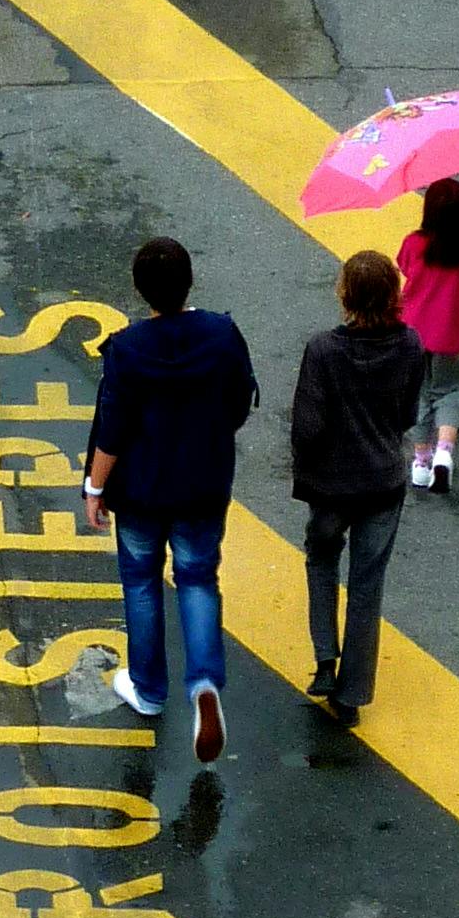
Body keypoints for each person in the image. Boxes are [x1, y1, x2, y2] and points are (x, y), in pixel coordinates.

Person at [82, 238, 258, 765]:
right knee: (198, 578)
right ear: (189, 282)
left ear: (141, 291)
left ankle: (149, 688)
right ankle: (204, 683)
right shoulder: (222, 335)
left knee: (140, 581)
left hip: (139, 492)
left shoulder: (128, 349)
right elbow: (238, 402)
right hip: (202, 485)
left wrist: (94, 488)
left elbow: (112, 429)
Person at [289, 249, 423, 730]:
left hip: (331, 486)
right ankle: (351, 694)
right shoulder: (409, 345)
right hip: (383, 482)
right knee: (368, 585)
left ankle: (325, 657)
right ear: (394, 295)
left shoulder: (323, 350)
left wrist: (307, 467)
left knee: (322, 557)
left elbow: (307, 426)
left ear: (343, 294)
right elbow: (409, 412)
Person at [396, 176, 459, 496]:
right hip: (451, 338)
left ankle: (421, 463)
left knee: (417, 394)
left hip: (411, 335)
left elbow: (404, 266)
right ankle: (444, 452)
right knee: (451, 390)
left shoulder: (415, 243)